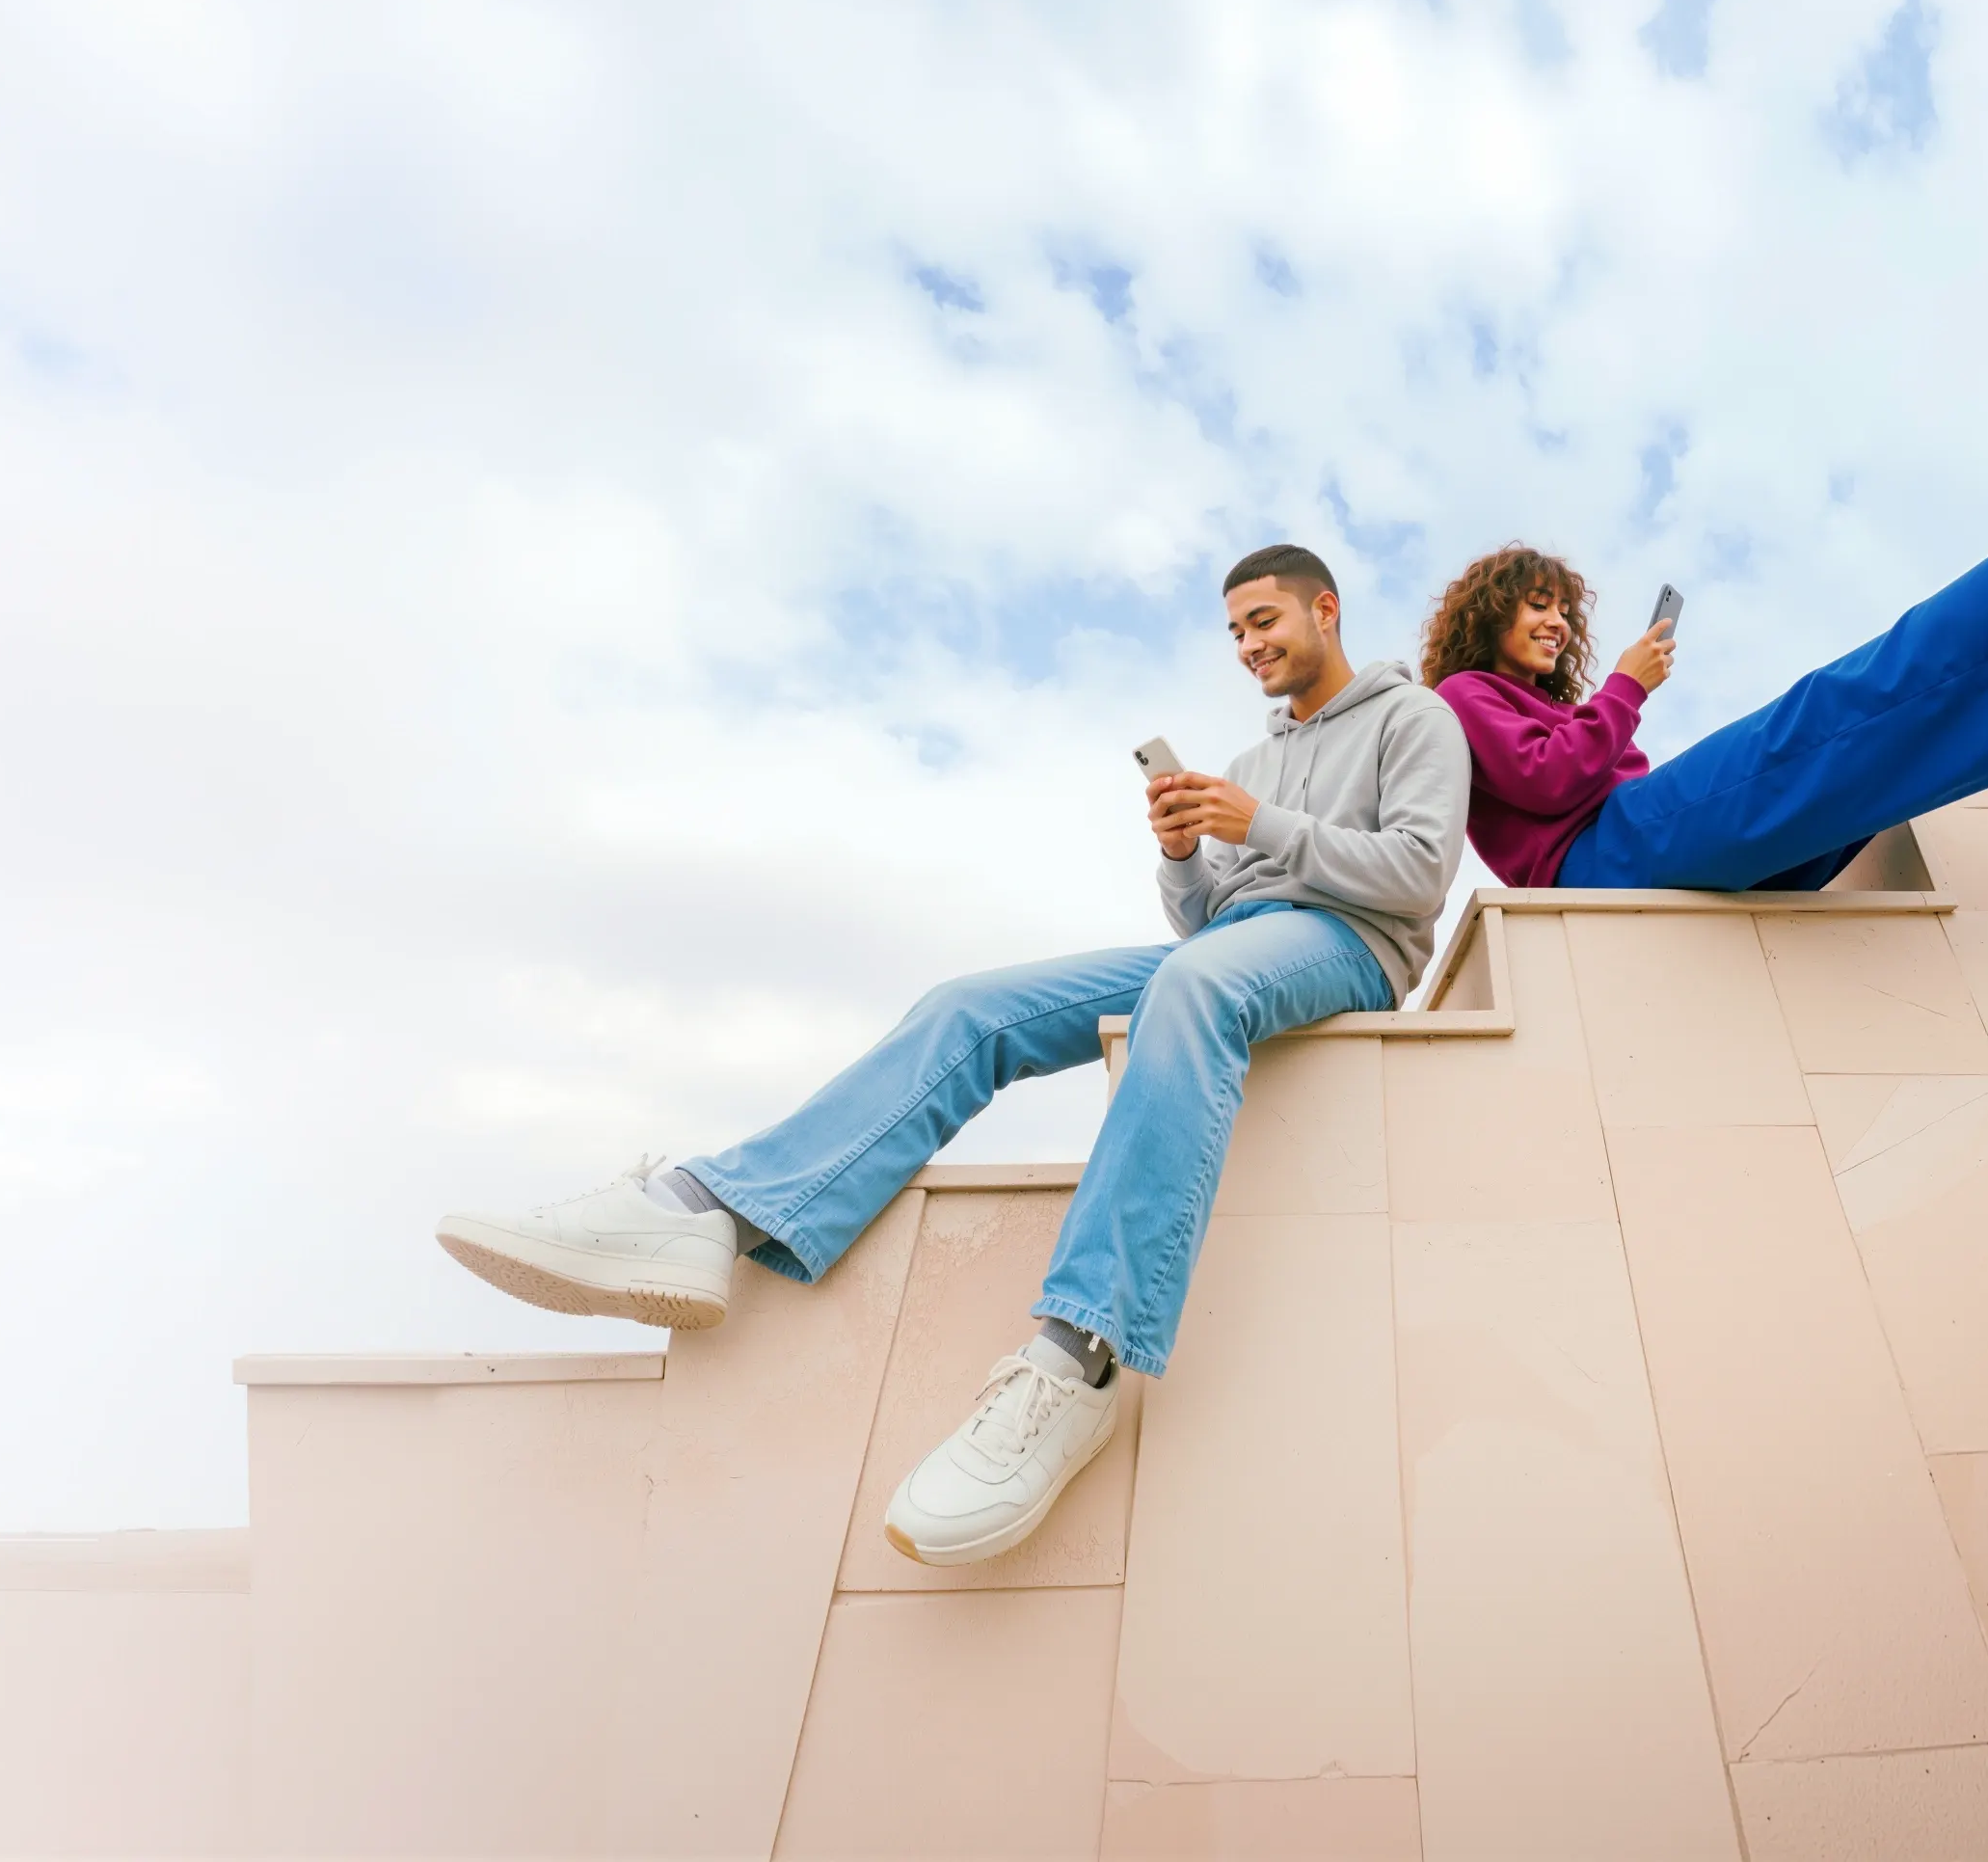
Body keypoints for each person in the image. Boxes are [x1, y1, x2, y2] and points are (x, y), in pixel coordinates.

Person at [435, 548, 1467, 1567]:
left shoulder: (1412, 720)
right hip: (1232, 951)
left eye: (1264, 622)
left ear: (1324, 611)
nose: (1248, 646)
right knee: (972, 1004)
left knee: (1196, 990)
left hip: (1348, 944)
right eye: (1235, 631)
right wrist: (1186, 853)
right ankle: (710, 1209)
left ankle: (1079, 1359)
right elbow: (1205, 929)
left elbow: (1420, 875)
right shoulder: (1251, 763)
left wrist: (1266, 826)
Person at [1424, 290, 1988, 892]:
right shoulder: (1463, 695)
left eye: (1563, 608)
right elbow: (1547, 782)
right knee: (1825, 717)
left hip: (1630, 851)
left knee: (1882, 761)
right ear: (1487, 614)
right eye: (1536, 604)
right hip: (1606, 858)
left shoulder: (1551, 707)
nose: (1558, 622)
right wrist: (1626, 690)